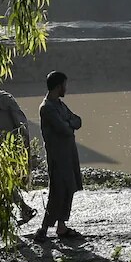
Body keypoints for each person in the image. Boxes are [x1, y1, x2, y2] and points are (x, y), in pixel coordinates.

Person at [0, 87, 37, 224]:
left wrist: (25, 150)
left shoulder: (5, 101)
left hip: (11, 150)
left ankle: (14, 214)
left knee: (4, 183)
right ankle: (10, 215)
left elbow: (21, 125)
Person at [36, 71, 83, 241]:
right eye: (65, 85)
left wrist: (69, 124)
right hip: (57, 157)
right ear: (58, 86)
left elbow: (78, 120)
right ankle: (43, 228)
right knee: (57, 192)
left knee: (68, 189)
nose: (66, 88)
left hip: (68, 154)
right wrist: (70, 125)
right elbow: (64, 129)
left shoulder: (60, 105)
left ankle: (61, 227)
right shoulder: (47, 107)